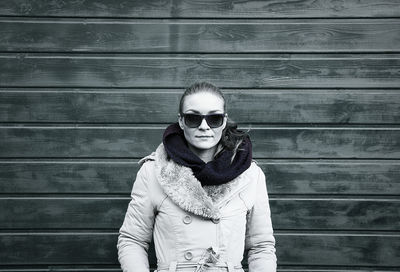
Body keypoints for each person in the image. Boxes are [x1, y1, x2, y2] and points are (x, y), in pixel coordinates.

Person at [117, 82, 276, 272]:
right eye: (193, 118)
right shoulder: (154, 171)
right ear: (181, 121)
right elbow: (132, 240)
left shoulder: (250, 175)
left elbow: (261, 247)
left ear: (224, 121)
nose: (203, 126)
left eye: (214, 119)